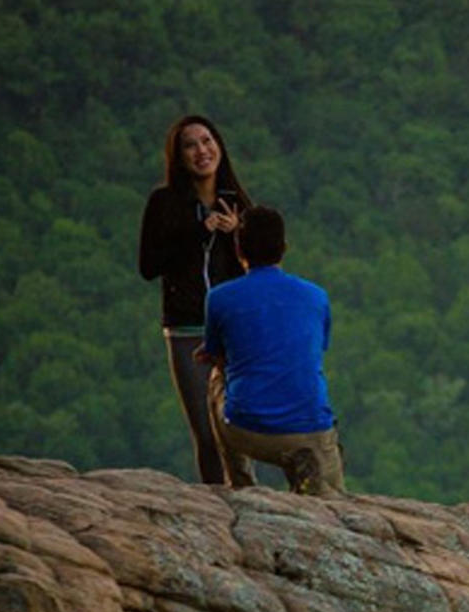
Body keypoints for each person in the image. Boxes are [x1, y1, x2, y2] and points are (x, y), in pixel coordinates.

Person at [195, 206, 346, 497]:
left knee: (217, 378)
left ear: (239, 248)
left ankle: (240, 483)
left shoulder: (219, 298)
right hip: (310, 431)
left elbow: (217, 355)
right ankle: (310, 480)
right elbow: (311, 350)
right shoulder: (316, 295)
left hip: (245, 431)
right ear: (284, 248)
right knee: (331, 502)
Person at [138, 115, 252, 484]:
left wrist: (238, 236)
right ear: (179, 156)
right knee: (206, 430)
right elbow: (148, 265)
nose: (202, 150)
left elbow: (261, 267)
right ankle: (219, 503)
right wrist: (197, 232)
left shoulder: (237, 203)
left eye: (207, 140)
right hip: (186, 328)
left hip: (234, 328)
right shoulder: (164, 203)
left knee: (240, 426)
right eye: (191, 145)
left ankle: (250, 501)